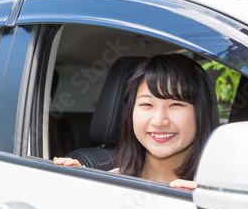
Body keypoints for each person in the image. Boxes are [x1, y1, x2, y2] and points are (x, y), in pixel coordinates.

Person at [54, 54, 219, 189]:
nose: (159, 120)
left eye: (175, 104)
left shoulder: (223, 194)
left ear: (202, 112)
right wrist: (83, 188)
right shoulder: (107, 184)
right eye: (146, 104)